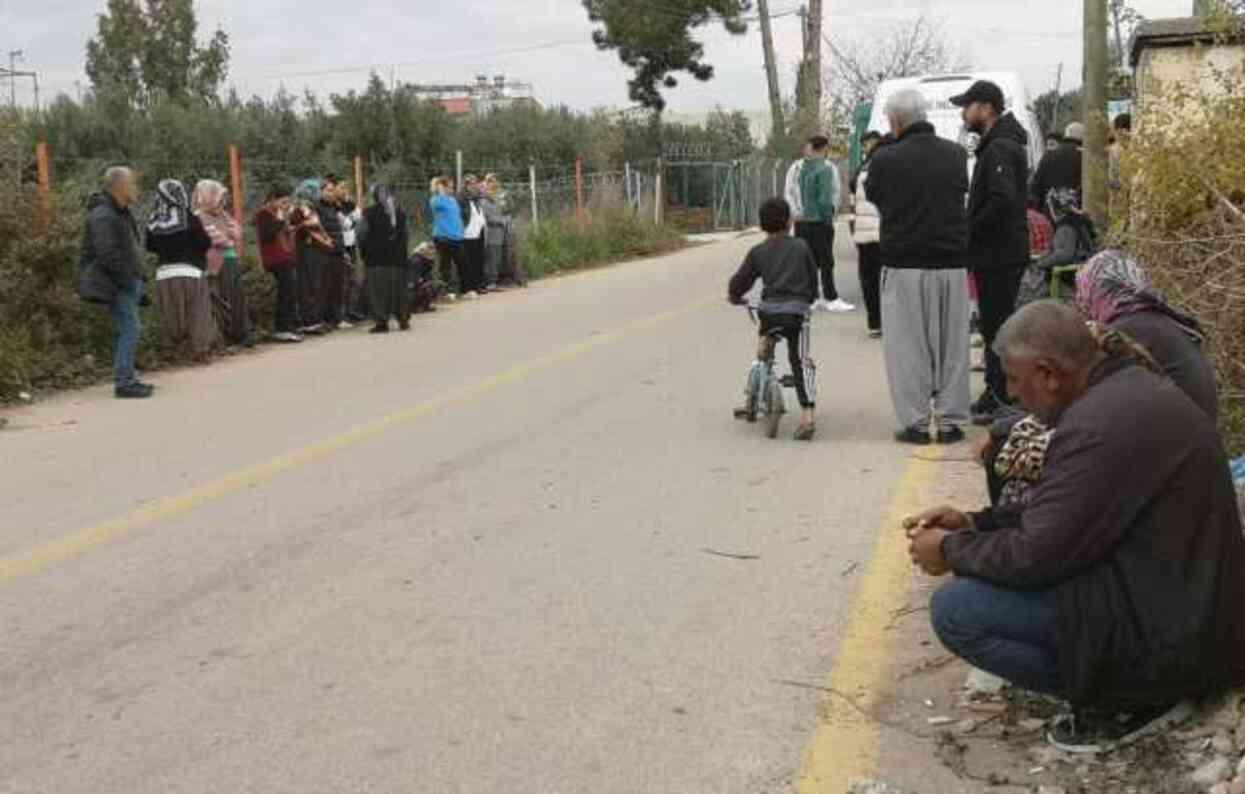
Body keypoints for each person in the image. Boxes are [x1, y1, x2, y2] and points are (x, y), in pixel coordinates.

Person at [910, 300, 1245, 754]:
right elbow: (1065, 511)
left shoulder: (1098, 425)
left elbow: (1034, 557)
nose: (1010, 394)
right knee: (980, 566)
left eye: (1013, 378)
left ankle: (1130, 698)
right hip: (1186, 611)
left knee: (957, 610)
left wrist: (950, 550)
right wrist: (974, 523)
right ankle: (1131, 681)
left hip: (1174, 638)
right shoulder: (1121, 393)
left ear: (1048, 373)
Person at [866, 89, 972, 445]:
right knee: (952, 345)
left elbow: (877, 198)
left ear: (895, 122)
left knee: (908, 347)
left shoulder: (883, 160)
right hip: (952, 263)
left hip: (903, 263)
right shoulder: (956, 155)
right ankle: (950, 421)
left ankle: (914, 422)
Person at [952, 80, 1032, 426]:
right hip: (998, 253)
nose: (963, 113)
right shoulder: (998, 144)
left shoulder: (999, 148)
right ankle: (996, 392)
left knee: (998, 329)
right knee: (994, 327)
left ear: (986, 108)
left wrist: (971, 230)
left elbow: (1000, 202)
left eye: (967, 106)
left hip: (998, 255)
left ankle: (1002, 398)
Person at [727, 198, 819, 441]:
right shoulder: (801, 247)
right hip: (797, 314)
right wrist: (809, 299)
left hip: (769, 313)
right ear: (789, 222)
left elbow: (740, 282)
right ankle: (808, 416)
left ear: (761, 225)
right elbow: (812, 281)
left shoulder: (757, 252)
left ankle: (761, 377)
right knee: (800, 359)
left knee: (766, 337)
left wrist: (734, 297)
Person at [77, 166, 154, 399]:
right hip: (116, 283)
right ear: (121, 187)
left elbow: (129, 248)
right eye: (133, 184)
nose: (136, 189)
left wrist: (138, 278)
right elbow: (107, 253)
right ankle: (125, 383)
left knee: (129, 328)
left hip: (126, 281)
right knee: (129, 329)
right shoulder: (104, 215)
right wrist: (128, 280)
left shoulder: (119, 211)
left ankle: (128, 377)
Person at [145, 178, 218, 357]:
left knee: (171, 314)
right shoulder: (190, 218)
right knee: (197, 313)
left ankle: (171, 351)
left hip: (164, 275)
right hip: (191, 272)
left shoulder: (153, 221)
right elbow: (205, 242)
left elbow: (149, 246)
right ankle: (198, 350)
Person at [193, 180, 252, 348]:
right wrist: (228, 238)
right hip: (215, 264)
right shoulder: (199, 216)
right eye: (218, 197)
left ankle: (242, 334)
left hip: (231, 260)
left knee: (237, 297)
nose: (222, 202)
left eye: (222, 198)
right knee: (221, 299)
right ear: (207, 197)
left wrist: (228, 238)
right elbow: (215, 238)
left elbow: (238, 232)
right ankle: (226, 337)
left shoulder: (223, 215)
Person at [797, 135, 851, 313]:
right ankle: (831, 297)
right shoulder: (825, 169)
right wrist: (829, 218)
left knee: (810, 262)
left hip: (805, 221)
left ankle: (811, 297)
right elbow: (824, 199)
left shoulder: (804, 168)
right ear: (824, 148)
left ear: (812, 148)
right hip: (820, 222)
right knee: (827, 261)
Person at [1016, 188, 1097, 308]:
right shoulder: (1081, 222)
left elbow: (1064, 255)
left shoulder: (1066, 226)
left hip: (1067, 279)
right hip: (1081, 273)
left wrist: (1041, 262)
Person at [357, 184, 412, 333]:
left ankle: (382, 321)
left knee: (378, 292)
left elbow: (361, 235)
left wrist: (364, 253)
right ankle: (403, 319)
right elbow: (406, 235)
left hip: (377, 260)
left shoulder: (368, 213)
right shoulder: (400, 212)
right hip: (398, 260)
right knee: (399, 290)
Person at [254, 186, 303, 343]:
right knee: (285, 293)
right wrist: (281, 220)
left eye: (288, 202)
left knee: (290, 292)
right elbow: (267, 235)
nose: (286, 205)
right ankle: (282, 328)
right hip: (275, 259)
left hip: (287, 258)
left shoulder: (280, 214)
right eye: (283, 202)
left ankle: (290, 326)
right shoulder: (264, 214)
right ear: (273, 200)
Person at [850, 130, 885, 337]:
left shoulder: (863, 168)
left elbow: (853, 188)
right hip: (884, 231)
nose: (864, 148)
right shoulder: (890, 162)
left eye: (865, 145)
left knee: (869, 279)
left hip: (864, 233)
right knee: (887, 281)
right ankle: (889, 321)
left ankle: (874, 323)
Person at [290, 179, 332, 335]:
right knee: (308, 283)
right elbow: (297, 226)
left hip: (314, 249)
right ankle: (309, 320)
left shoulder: (311, 207)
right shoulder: (299, 207)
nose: (319, 194)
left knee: (315, 283)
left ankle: (315, 318)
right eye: (316, 191)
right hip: (305, 249)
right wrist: (307, 224)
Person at [316, 176, 350, 329]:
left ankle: (338, 318)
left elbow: (341, 229)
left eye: (332, 190)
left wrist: (343, 251)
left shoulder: (334, 207)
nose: (331, 193)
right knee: (324, 287)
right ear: (321, 191)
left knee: (338, 286)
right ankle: (325, 318)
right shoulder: (317, 207)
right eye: (328, 190)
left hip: (337, 251)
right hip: (324, 252)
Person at [1030, 121, 1084, 212]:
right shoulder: (1085, 157)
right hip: (1079, 211)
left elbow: (1036, 187)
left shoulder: (1048, 155)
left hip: (1051, 211)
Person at [429, 177, 466, 297]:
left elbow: (456, 217)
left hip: (456, 237)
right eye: (449, 186)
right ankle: (446, 292)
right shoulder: (436, 200)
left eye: (452, 186)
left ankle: (463, 290)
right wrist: (439, 190)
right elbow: (435, 206)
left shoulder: (453, 200)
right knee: (445, 266)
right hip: (442, 237)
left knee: (462, 263)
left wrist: (460, 232)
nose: (452, 189)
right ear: (443, 187)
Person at [459, 175, 488, 298]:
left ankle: (477, 285)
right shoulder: (462, 199)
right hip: (468, 234)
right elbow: (461, 216)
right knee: (468, 262)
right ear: (466, 185)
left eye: (475, 183)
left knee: (478, 259)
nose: (474, 186)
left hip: (479, 232)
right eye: (471, 184)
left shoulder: (477, 199)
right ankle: (468, 287)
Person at [480, 174, 509, 290]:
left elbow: (504, 212)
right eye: (490, 183)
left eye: (495, 183)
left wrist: (504, 219)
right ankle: (489, 282)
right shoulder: (483, 201)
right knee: (491, 258)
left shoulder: (497, 200)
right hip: (490, 233)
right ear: (485, 185)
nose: (493, 186)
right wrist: (501, 221)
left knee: (497, 258)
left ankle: (495, 280)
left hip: (500, 233)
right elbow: (487, 218)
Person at [408, 241, 440, 314]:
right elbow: (412, 280)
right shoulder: (416, 261)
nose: (432, 253)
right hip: (411, 286)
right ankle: (415, 306)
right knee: (427, 286)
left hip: (417, 283)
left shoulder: (426, 261)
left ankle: (425, 304)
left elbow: (427, 275)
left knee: (434, 284)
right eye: (430, 250)